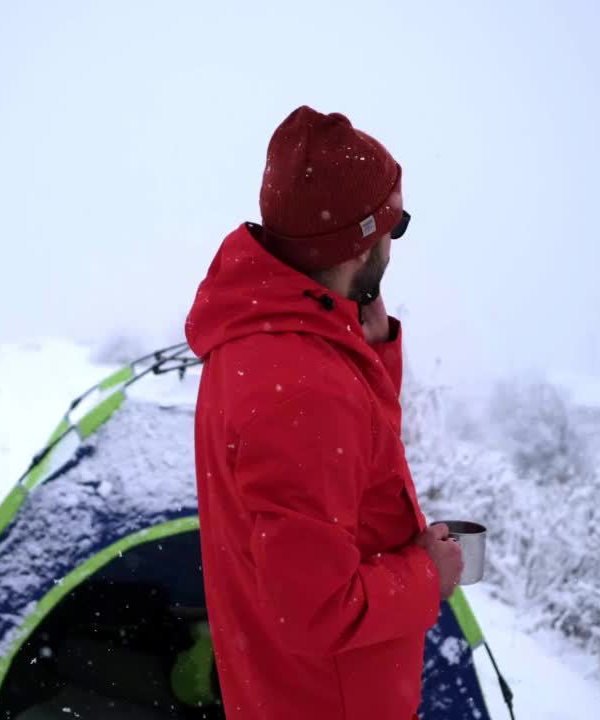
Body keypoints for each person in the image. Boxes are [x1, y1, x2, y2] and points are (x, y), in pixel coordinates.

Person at [184, 105, 464, 720]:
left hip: (286, 690)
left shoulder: (262, 334)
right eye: (395, 225)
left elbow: (355, 458)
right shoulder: (306, 391)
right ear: (361, 241)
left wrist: (372, 346)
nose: (393, 243)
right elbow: (314, 610)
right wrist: (427, 574)